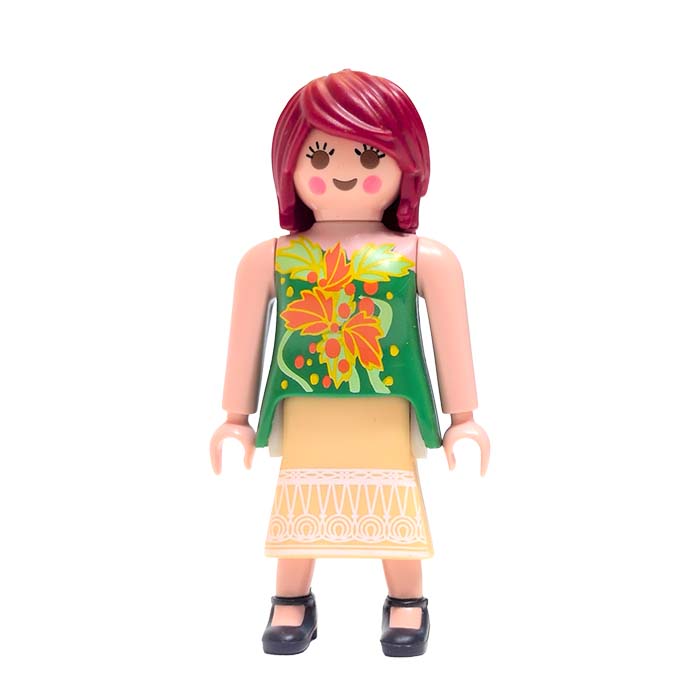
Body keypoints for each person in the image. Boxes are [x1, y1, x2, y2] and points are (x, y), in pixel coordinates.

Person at [210, 69, 489, 657]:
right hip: (304, 405)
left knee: (394, 496)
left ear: (406, 165)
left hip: (388, 403)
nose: (343, 171)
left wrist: (463, 417)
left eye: (369, 156)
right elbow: (245, 336)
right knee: (300, 497)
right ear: (288, 166)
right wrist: (235, 417)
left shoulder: (423, 257)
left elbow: (449, 335)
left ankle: (407, 601)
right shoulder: (270, 258)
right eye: (318, 155)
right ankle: (291, 599)